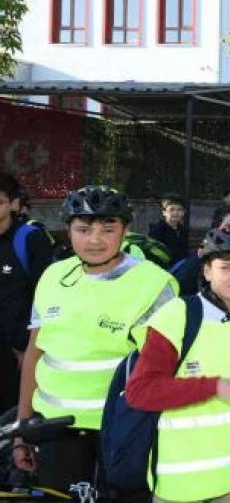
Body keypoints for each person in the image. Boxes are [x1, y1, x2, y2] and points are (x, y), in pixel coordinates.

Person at [15, 186, 176, 496]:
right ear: (68, 230)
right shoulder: (52, 276)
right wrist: (24, 426)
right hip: (56, 430)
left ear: (126, 230)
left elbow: (164, 368)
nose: (94, 239)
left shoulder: (154, 283)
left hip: (122, 429)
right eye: (83, 229)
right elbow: (35, 351)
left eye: (108, 229)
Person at [123, 225, 230, 503]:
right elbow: (140, 391)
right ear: (206, 270)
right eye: (226, 267)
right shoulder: (178, 315)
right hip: (182, 484)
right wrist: (215, 386)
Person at [0, 173, 53, 413]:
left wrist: (26, 347)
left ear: (13, 203)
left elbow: (43, 296)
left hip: (15, 352)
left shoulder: (30, 238)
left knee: (11, 419)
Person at [148, 193, 190, 263]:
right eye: (172, 209)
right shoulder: (157, 230)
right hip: (164, 267)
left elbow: (184, 252)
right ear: (164, 212)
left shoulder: (182, 230)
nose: (176, 213)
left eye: (179, 210)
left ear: (183, 212)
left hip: (180, 265)